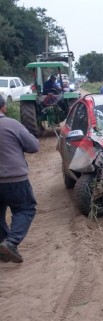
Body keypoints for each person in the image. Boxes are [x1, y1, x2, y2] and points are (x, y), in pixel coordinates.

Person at [0, 97, 39, 263]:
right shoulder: (11, 124)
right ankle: (11, 242)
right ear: (3, 107)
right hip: (13, 178)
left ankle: (4, 248)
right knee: (25, 208)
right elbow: (33, 146)